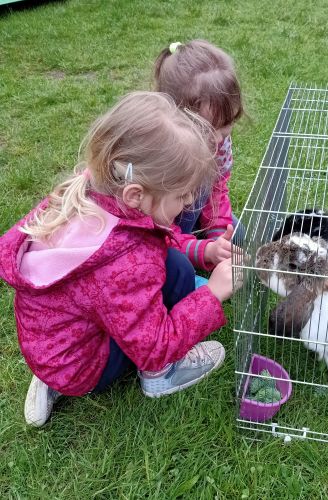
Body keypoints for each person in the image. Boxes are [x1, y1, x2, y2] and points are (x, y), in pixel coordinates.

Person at [0, 91, 241, 427]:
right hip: (87, 369)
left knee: (175, 266)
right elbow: (154, 345)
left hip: (54, 348)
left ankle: (52, 377)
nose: (188, 203)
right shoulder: (125, 262)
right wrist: (212, 293)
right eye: (181, 195)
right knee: (175, 277)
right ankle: (161, 377)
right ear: (135, 195)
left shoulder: (90, 190)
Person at [153, 39, 244, 271]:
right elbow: (158, 225)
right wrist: (205, 251)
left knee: (237, 232)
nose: (219, 139)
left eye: (227, 125)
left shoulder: (217, 141)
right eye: (207, 130)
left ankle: (194, 239)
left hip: (185, 214)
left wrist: (218, 238)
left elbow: (217, 190)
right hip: (159, 229)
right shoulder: (162, 159)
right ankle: (188, 251)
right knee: (179, 266)